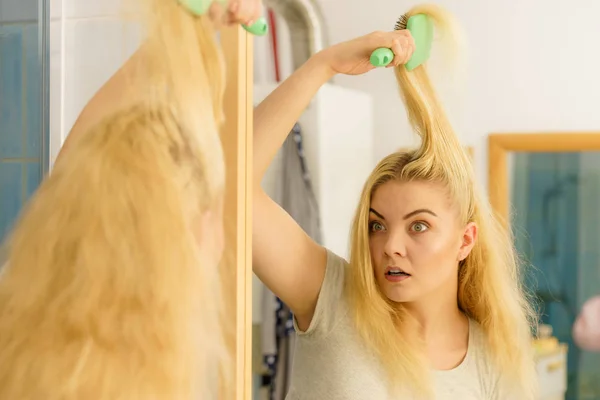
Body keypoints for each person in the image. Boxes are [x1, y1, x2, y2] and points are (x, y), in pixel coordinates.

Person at [253, 4, 537, 399]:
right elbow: (231, 189)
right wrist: (324, 65)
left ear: (465, 241)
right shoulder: (331, 300)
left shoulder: (494, 358)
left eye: (418, 226)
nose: (391, 246)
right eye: (377, 225)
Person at [0, 0, 260, 398]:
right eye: (213, 208)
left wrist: (194, 28)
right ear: (182, 240)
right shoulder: (155, 377)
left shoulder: (21, 327)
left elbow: (74, 166)